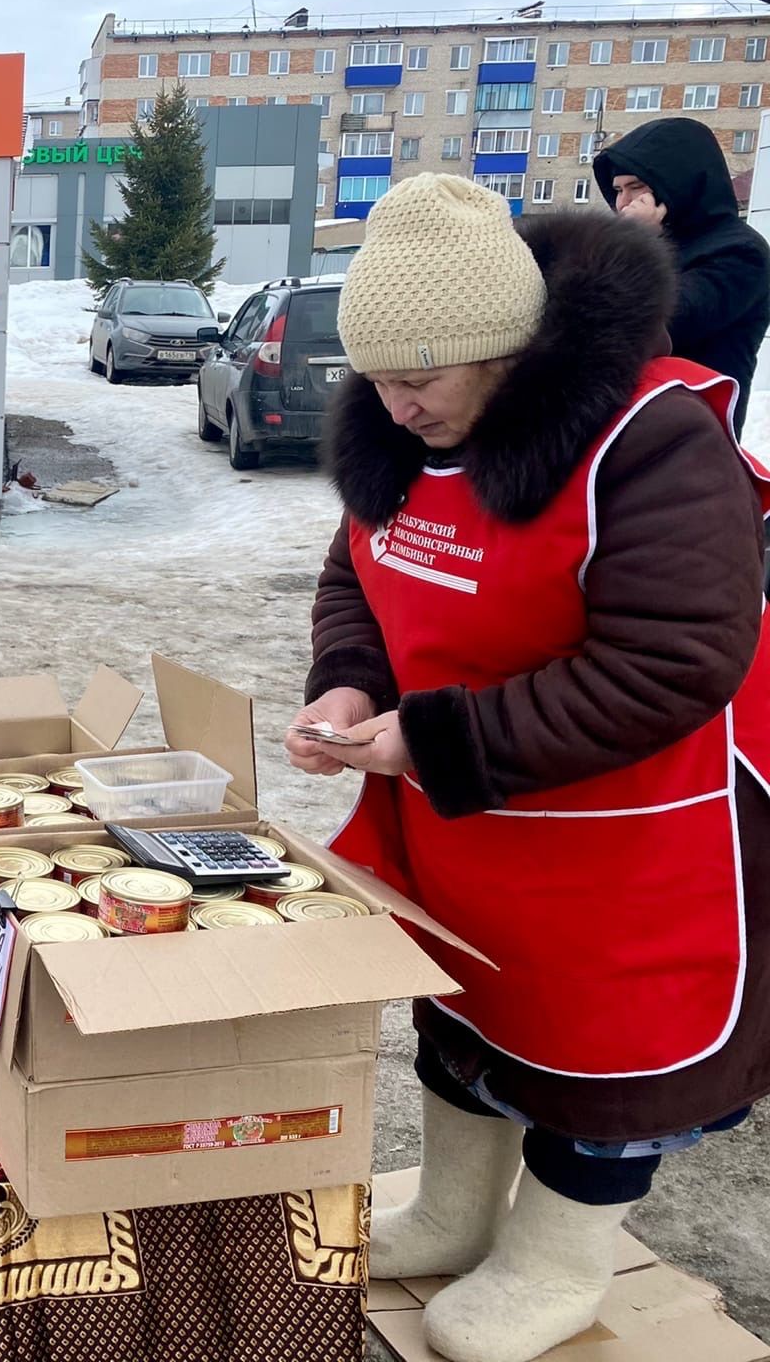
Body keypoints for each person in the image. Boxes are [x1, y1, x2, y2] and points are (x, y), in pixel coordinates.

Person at [286, 176, 770, 1362]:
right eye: (377, 380)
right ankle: (454, 1213)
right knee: (466, 1013)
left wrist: (436, 741)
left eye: (421, 379)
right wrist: (351, 683)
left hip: (636, 834)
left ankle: (559, 1259)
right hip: (467, 820)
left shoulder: (647, 442)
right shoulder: (398, 439)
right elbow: (360, 573)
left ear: (505, 346)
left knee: (602, 1055)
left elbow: (671, 663)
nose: (395, 409)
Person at [594, 115, 770, 424]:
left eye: (636, 187)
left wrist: (638, 243)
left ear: (678, 183)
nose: (623, 204)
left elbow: (654, 324)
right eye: (618, 190)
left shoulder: (741, 252)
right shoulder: (662, 240)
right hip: (628, 428)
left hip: (693, 439)